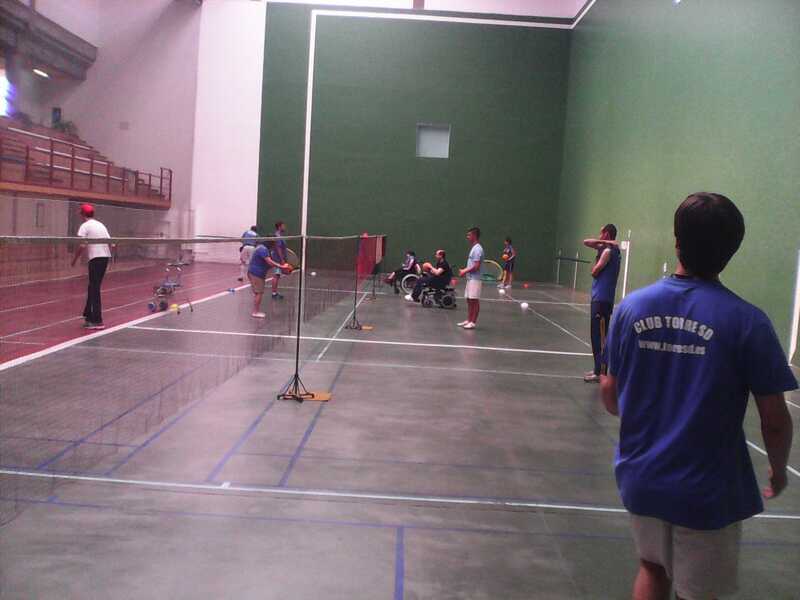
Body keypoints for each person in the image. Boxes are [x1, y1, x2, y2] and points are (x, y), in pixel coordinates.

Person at [600, 193, 796, 600]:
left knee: (652, 569)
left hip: (642, 477)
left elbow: (609, 394)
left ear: (677, 241)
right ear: (732, 250)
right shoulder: (749, 322)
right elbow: (775, 420)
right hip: (707, 490)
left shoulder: (631, 308)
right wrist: (778, 469)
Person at [583, 224, 621, 383]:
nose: (599, 236)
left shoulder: (607, 252)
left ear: (606, 233)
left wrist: (606, 245)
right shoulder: (606, 247)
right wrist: (606, 242)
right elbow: (586, 242)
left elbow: (595, 271)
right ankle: (598, 369)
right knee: (596, 335)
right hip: (601, 299)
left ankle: (601, 372)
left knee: (600, 337)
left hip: (602, 299)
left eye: (601, 233)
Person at [71, 203, 112, 330]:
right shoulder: (101, 225)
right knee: (92, 287)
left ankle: (98, 320)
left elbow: (82, 245)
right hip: (105, 258)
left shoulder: (85, 226)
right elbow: (112, 243)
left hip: (95, 259)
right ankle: (88, 315)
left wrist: (74, 259)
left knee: (94, 288)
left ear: (83, 214)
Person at [248, 240, 290, 318]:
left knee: (258, 293)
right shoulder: (262, 249)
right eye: (274, 244)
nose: (275, 246)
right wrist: (281, 266)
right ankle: (255, 312)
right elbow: (269, 262)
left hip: (257, 273)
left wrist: (283, 269)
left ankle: (255, 310)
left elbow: (269, 264)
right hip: (255, 273)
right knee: (259, 293)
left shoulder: (265, 250)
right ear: (271, 243)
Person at [458, 227, 483, 330]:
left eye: (469, 235)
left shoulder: (477, 249)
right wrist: (465, 270)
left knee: (474, 300)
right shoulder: (474, 248)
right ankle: (469, 320)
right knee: (469, 300)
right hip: (470, 278)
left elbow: (476, 266)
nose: (467, 237)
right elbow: (472, 264)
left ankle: (473, 322)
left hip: (475, 279)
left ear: (474, 236)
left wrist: (464, 271)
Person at [271, 221, 288, 300]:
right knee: (276, 275)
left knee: (277, 275)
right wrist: (282, 260)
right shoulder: (277, 236)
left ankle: (275, 292)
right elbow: (278, 248)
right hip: (277, 259)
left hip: (279, 259)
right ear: (279, 227)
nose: (284, 227)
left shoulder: (280, 235)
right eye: (283, 226)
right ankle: (274, 293)